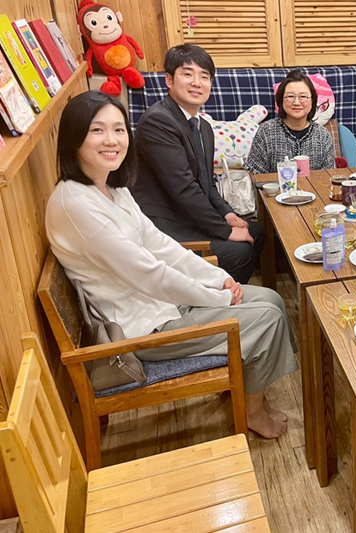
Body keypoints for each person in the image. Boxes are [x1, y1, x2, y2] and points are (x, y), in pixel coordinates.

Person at [46, 91, 299, 440]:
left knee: (270, 298)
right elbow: (150, 275)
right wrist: (218, 298)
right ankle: (252, 412)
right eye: (97, 130)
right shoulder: (75, 204)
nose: (112, 140)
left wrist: (219, 279)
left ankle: (246, 392)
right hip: (141, 330)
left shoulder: (112, 189)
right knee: (266, 318)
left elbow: (162, 246)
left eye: (119, 129)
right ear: (74, 138)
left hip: (161, 305)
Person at [131, 44, 266, 284]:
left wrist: (228, 215)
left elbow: (206, 183)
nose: (197, 83)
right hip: (167, 225)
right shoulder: (158, 121)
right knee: (241, 254)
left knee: (257, 232)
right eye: (188, 74)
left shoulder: (203, 126)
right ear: (169, 80)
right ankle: (214, 300)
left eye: (204, 77)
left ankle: (227, 289)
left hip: (188, 214)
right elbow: (184, 188)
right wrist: (225, 231)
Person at [244, 69, 336, 174]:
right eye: (290, 96)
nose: (296, 102)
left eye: (303, 97)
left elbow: (329, 176)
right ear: (281, 100)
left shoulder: (323, 135)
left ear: (312, 101)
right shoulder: (266, 131)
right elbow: (254, 175)